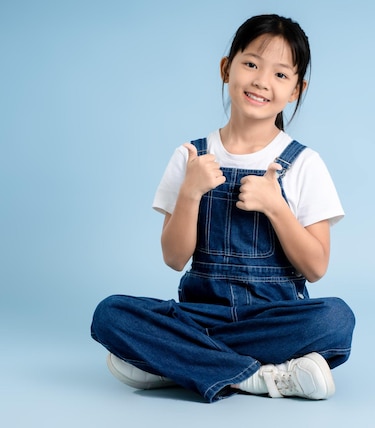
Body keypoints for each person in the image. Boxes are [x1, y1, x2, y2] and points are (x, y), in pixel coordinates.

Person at [91, 13, 355, 403]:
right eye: (250, 64)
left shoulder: (304, 163)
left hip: (271, 320)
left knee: (337, 318)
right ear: (226, 68)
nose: (262, 81)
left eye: (281, 75)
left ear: (297, 89)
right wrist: (189, 193)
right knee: (109, 314)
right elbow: (173, 257)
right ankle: (261, 376)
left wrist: (276, 208)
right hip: (200, 317)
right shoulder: (190, 157)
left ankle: (179, 363)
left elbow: (316, 268)